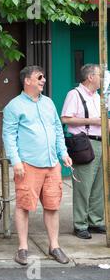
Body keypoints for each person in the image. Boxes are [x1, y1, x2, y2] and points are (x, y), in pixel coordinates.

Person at [3, 65, 73, 265]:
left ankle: (54, 246)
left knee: (52, 205)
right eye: (39, 77)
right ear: (27, 80)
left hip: (52, 164)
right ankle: (22, 248)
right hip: (27, 164)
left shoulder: (49, 103)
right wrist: (15, 161)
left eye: (44, 76)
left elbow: (58, 130)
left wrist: (64, 153)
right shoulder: (14, 106)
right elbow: (8, 136)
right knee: (24, 205)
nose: (43, 80)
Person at [61, 64, 108, 239]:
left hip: (101, 142)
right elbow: (65, 118)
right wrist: (93, 121)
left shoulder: (98, 96)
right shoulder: (75, 94)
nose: (102, 78)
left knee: (99, 185)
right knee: (83, 186)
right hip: (84, 143)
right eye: (99, 74)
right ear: (90, 77)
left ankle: (96, 221)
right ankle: (80, 224)